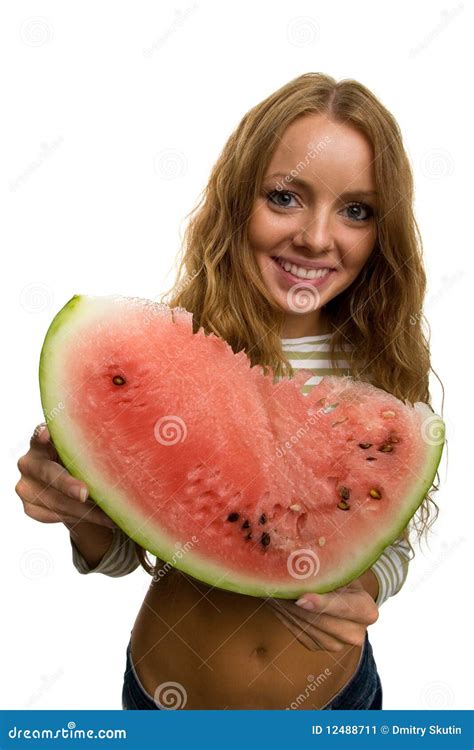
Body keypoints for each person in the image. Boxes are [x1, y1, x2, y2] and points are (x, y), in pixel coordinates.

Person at [16, 72, 441, 710]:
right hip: (161, 698)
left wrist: (369, 591)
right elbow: (134, 545)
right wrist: (83, 521)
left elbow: (385, 539)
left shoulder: (380, 373)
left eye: (356, 210)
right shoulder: (169, 350)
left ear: (384, 231)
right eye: (285, 197)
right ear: (240, 197)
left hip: (332, 706)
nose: (318, 238)